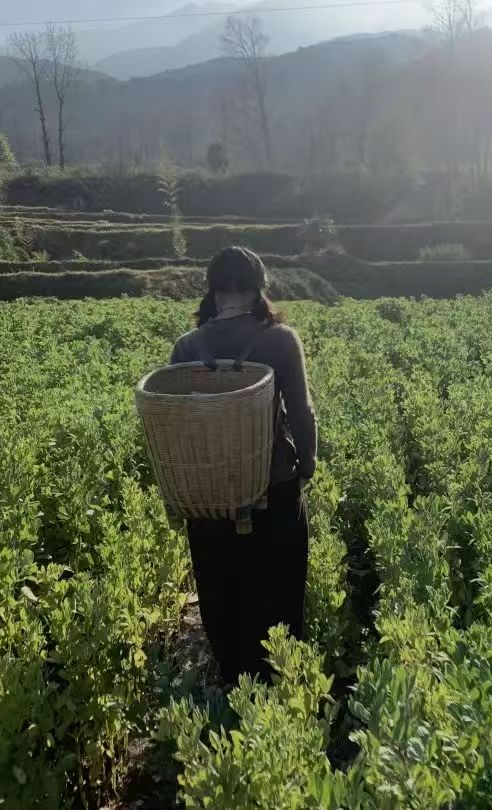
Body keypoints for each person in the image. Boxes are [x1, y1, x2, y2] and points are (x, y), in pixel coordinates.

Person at [169, 246, 317, 685]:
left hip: (208, 497)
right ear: (257, 291)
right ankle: (281, 679)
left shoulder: (186, 347)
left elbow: (176, 424)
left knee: (220, 589)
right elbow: (302, 410)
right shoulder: (281, 340)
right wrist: (306, 463)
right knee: (281, 587)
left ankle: (234, 677)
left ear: (213, 292)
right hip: (272, 486)